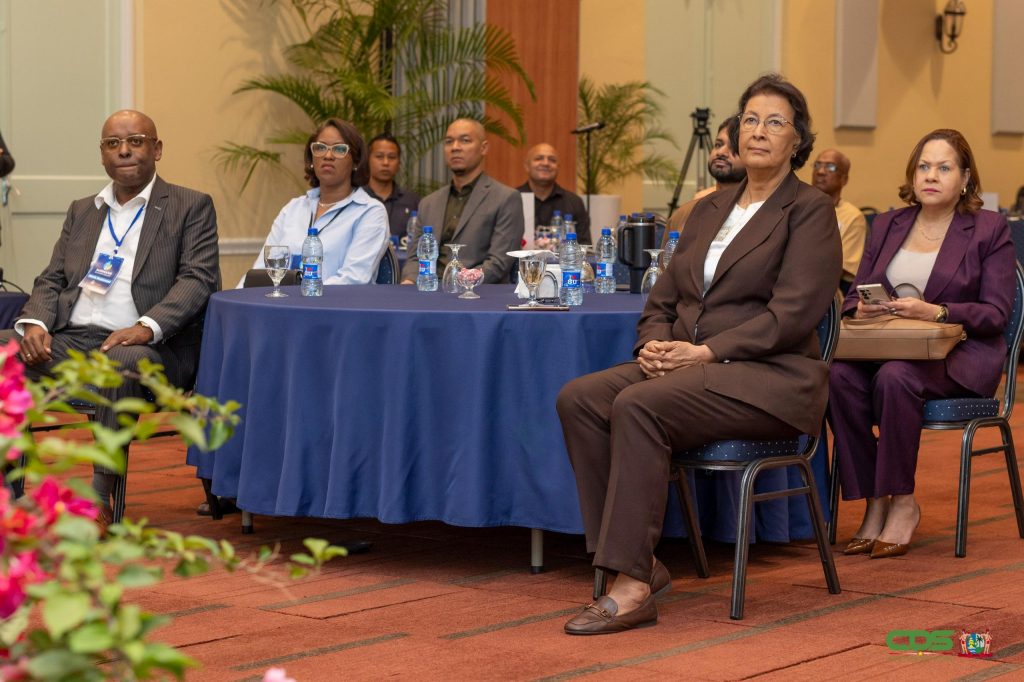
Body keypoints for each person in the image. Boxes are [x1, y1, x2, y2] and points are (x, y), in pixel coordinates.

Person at [555, 74, 841, 634]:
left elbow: (790, 316)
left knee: (638, 405)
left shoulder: (809, 211)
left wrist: (705, 352)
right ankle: (639, 561)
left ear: (798, 142)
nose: (759, 131)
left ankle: (631, 586)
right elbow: (662, 298)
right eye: (751, 119)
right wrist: (653, 346)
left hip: (769, 379)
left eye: (775, 122)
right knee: (580, 399)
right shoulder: (708, 209)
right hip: (692, 369)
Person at [0, 110, 220, 523]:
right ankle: (6, 495)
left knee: (121, 359)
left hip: (154, 350)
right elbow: (52, 278)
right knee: (2, 350)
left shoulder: (191, 206)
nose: (124, 150)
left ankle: (98, 502)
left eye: (136, 141)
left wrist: (145, 328)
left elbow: (198, 280)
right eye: (113, 143)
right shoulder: (83, 210)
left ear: (157, 149)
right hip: (74, 340)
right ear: (102, 154)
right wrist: (36, 324)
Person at [829, 129, 1015, 559]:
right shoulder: (888, 224)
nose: (931, 176)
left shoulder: (988, 229)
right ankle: (874, 499)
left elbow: (996, 314)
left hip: (958, 354)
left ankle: (902, 502)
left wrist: (937, 311)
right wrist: (864, 309)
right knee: (837, 377)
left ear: (965, 178)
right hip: (887, 346)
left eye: (944, 168)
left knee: (895, 378)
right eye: (924, 167)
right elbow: (854, 295)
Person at [244, 118, 389, 286]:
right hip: (282, 301)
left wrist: (303, 295)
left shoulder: (370, 212)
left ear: (356, 161)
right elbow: (262, 272)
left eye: (339, 149)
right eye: (320, 148)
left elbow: (353, 279)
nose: (328, 156)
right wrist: (238, 296)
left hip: (335, 302)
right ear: (312, 159)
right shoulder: (293, 209)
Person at [400, 118, 524, 284]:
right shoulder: (429, 203)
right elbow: (415, 258)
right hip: (428, 290)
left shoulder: (506, 198)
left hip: (477, 293)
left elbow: (498, 263)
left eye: (465, 141)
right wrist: (409, 281)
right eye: (449, 142)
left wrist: (458, 285)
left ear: (484, 148)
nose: (455, 147)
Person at [661, 117, 746, 247]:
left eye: (733, 147)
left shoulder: (757, 212)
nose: (721, 152)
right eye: (718, 145)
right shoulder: (685, 214)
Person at [811, 149, 867, 294]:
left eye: (830, 167)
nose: (820, 171)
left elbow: (839, 270)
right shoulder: (799, 207)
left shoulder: (852, 217)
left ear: (844, 179)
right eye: (817, 165)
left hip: (824, 291)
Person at [517, 142, 591, 244]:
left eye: (552, 160)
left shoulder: (574, 202)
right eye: (539, 158)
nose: (546, 163)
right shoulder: (513, 200)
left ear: (558, 167)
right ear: (527, 166)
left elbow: (585, 245)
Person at [364, 133, 421, 245]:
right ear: (367, 160)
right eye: (379, 156)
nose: (385, 163)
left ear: (399, 163)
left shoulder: (413, 201)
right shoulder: (356, 198)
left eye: (391, 157)